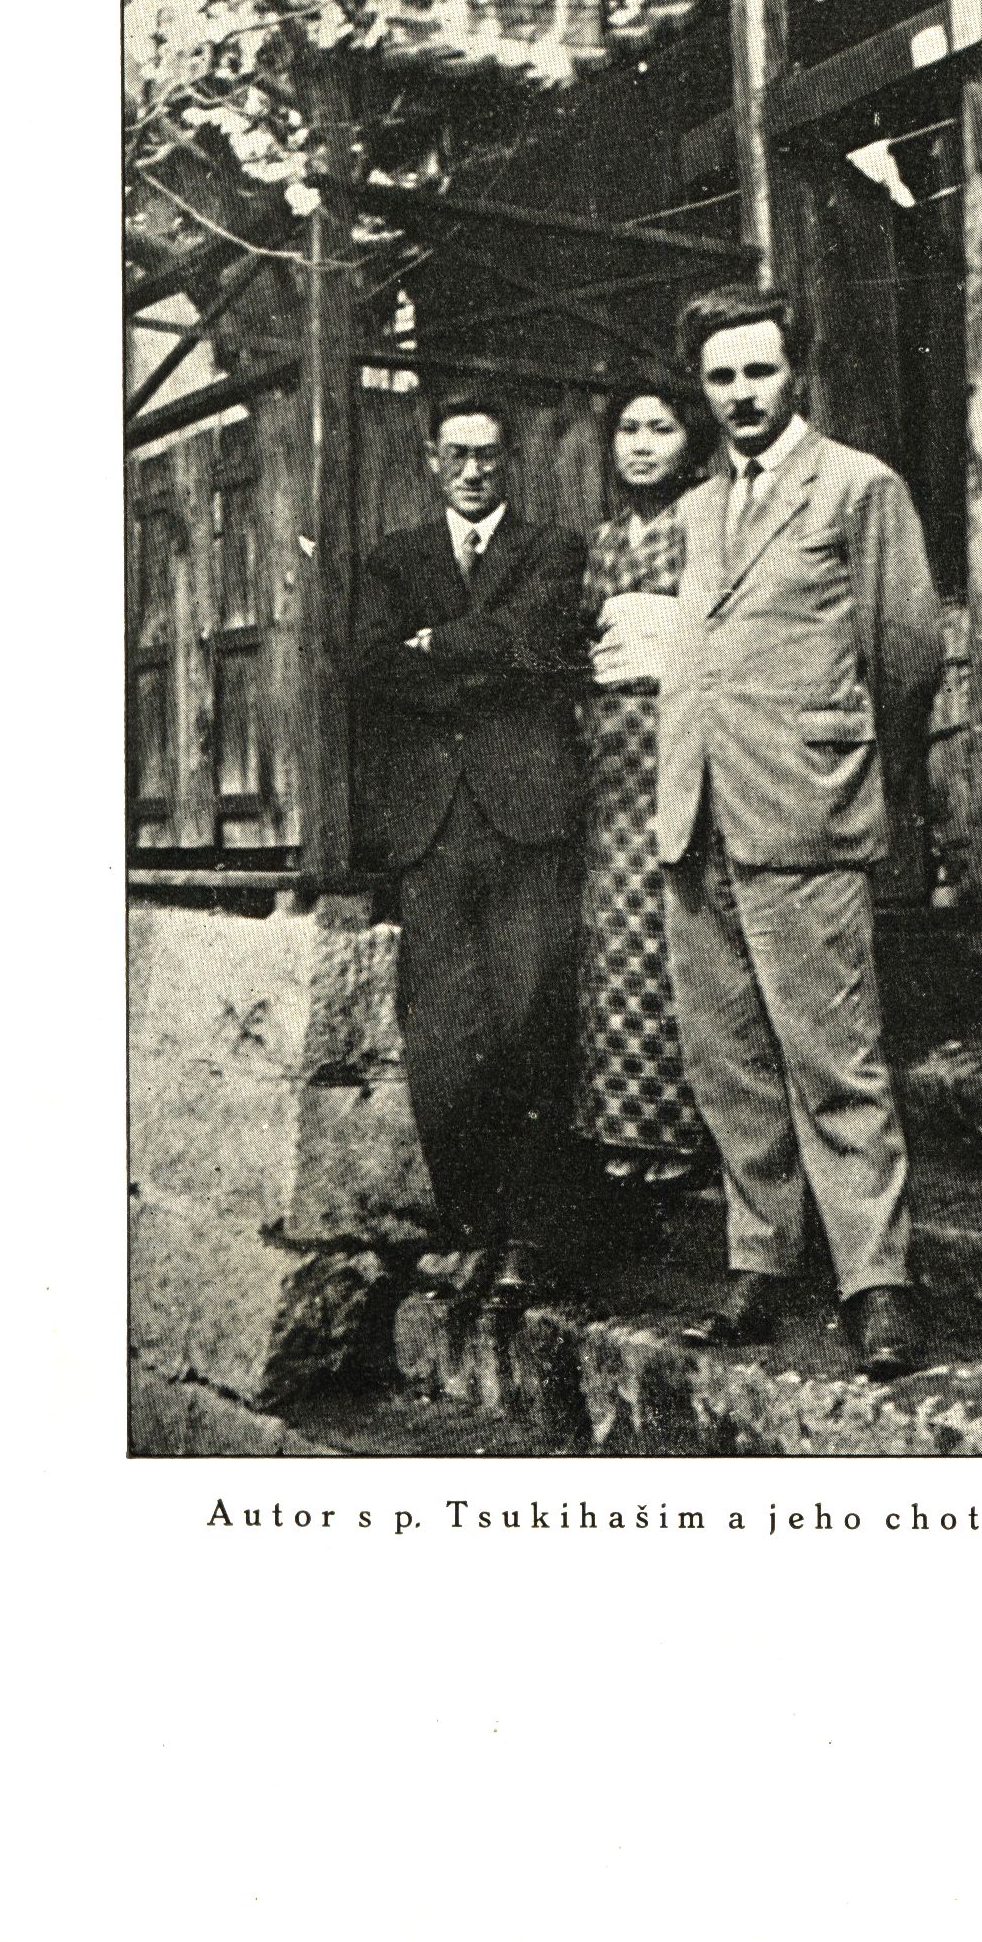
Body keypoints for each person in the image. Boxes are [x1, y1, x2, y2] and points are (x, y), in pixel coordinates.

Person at [653, 286, 943, 1380]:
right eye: (720, 377)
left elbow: (903, 653)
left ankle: (877, 1283)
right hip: (699, 815)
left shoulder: (859, 487)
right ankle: (759, 1262)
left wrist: (851, 775)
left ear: (796, 374)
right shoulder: (697, 508)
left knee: (835, 1060)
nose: (740, 394)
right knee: (727, 1060)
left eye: (758, 371)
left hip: (804, 814)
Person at [350, 388, 586, 1304]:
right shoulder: (395, 557)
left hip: (526, 818)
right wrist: (480, 661)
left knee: (531, 1025)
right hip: (433, 827)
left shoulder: (552, 550)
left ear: (508, 460)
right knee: (443, 1038)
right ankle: (469, 1226)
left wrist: (437, 644)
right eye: (458, 454)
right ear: (432, 461)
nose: (474, 470)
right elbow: (372, 665)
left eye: (488, 454)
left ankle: (529, 1236)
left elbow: (536, 641)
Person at [574, 376, 715, 1193]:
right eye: (629, 429)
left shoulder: (706, 522)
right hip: (611, 751)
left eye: (660, 428)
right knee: (617, 936)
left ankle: (685, 1130)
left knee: (678, 930)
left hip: (679, 733)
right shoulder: (602, 541)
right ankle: (622, 1125)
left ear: (690, 441)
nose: (641, 444)